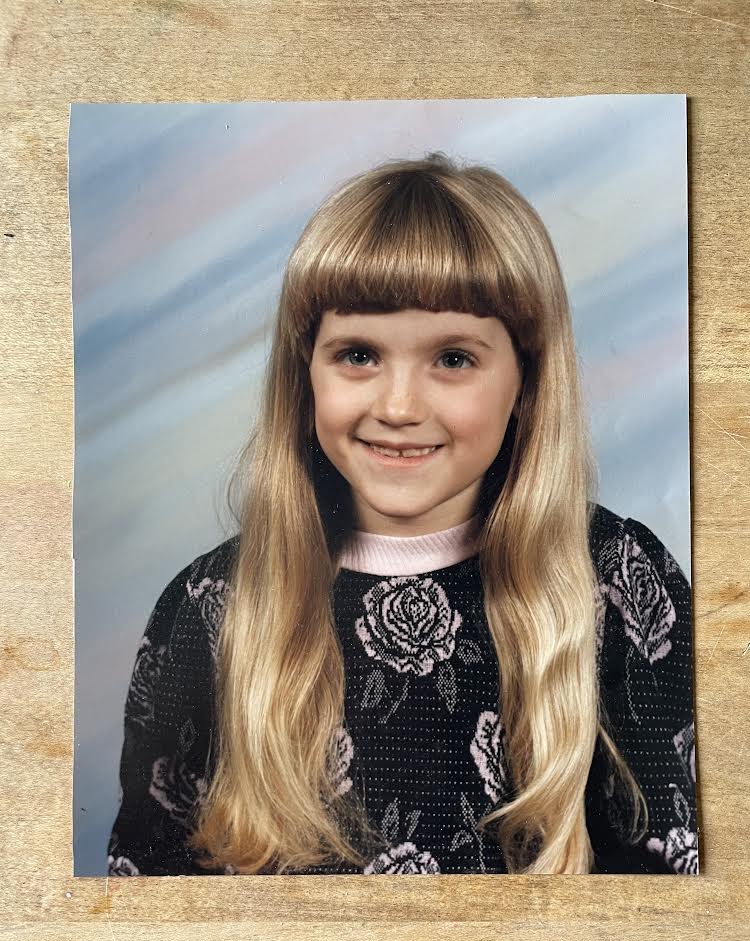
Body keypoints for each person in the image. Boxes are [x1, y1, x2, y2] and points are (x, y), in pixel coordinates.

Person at [106, 152, 699, 877]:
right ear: (305, 372)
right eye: (358, 355)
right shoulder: (212, 608)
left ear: (527, 378)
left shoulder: (618, 581)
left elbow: (680, 887)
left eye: (453, 359)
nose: (397, 407)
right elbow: (144, 890)